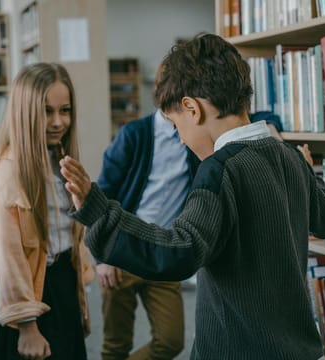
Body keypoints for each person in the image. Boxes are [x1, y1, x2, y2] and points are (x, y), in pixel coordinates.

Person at [60, 33, 325, 359]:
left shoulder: (219, 170)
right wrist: (310, 176)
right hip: (295, 350)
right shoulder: (289, 157)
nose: (181, 141)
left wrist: (99, 213)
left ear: (192, 108)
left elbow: (180, 251)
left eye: (176, 126)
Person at [0, 62, 94, 360]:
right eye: (46, 111)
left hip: (63, 285)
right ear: (25, 113)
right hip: (34, 298)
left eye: (65, 110)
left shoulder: (60, 160)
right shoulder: (10, 174)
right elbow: (9, 259)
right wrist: (27, 326)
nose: (58, 122)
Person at [95, 65, 200, 359]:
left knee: (170, 342)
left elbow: (253, 118)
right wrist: (103, 257)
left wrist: (270, 125)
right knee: (115, 346)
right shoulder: (134, 135)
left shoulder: (195, 139)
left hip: (162, 254)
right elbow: (103, 195)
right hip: (122, 253)